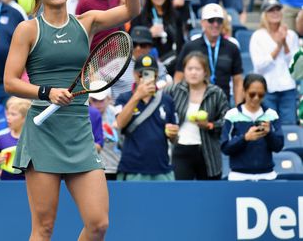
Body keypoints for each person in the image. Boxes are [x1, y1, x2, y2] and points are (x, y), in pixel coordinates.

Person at [3, 0, 139, 240]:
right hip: (43, 134)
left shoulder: (87, 22)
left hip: (78, 132)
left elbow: (131, 11)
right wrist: (46, 92)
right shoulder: (27, 29)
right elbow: (9, 82)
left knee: (98, 223)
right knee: (44, 228)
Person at [165, 52, 229, 180]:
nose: (193, 73)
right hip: (181, 148)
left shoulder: (216, 93)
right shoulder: (174, 90)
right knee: (181, 192)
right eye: (190, 69)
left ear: (205, 72)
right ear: (184, 71)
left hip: (208, 152)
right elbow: (163, 113)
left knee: (209, 194)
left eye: (198, 69)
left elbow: (226, 121)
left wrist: (210, 125)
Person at [116, 54, 179, 181]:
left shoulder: (167, 100)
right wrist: (137, 96)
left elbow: (175, 139)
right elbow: (120, 123)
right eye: (142, 74)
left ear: (157, 75)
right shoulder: (124, 98)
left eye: (151, 73)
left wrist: (173, 134)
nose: (146, 78)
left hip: (161, 168)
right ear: (134, 74)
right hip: (132, 168)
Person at [175, 3, 243, 105]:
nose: (215, 24)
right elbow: (179, 77)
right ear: (203, 23)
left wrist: (238, 110)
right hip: (195, 103)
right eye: (211, 20)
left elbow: (237, 81)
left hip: (222, 104)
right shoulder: (190, 46)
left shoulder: (232, 48)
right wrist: (179, 102)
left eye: (219, 21)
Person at [221, 74, 284, 181]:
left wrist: (269, 134)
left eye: (260, 95)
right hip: (239, 175)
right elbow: (225, 147)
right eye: (252, 94)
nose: (256, 98)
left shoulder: (271, 115)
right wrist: (245, 138)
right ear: (244, 92)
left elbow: (278, 147)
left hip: (267, 175)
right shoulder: (231, 115)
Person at [249, 0, 298, 124]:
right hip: (267, 89)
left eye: (277, 9)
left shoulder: (291, 35)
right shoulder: (257, 36)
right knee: (269, 130)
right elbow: (259, 66)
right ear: (264, 14)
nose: (275, 13)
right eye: (271, 10)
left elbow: (295, 65)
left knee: (289, 128)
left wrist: (285, 42)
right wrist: (278, 46)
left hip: (288, 89)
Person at [132, 0, 184, 74]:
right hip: (147, 62)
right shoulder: (140, 16)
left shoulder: (175, 15)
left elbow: (181, 41)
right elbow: (132, 41)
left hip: (172, 61)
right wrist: (149, 33)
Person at [113, 25, 170, 100]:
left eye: (143, 45)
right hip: (123, 107)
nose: (138, 48)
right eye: (134, 44)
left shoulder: (157, 65)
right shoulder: (116, 64)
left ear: (150, 46)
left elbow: (166, 82)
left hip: (148, 107)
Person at [0, 97, 30, 180]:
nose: (8, 117)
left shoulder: (34, 140)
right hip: (6, 187)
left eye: (13, 114)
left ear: (25, 117)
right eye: (7, 114)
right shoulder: (0, 140)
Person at [89, 86, 121, 180]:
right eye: (94, 100)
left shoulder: (118, 114)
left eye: (102, 100)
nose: (98, 104)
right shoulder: (85, 115)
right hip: (93, 168)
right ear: (89, 99)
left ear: (109, 99)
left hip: (115, 168)